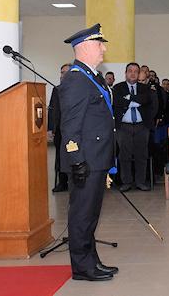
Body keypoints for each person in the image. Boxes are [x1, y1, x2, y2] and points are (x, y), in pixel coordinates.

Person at [60, 23, 117, 281]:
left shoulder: (89, 77)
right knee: (82, 215)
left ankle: (91, 260)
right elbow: (70, 126)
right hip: (86, 160)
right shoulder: (75, 80)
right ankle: (82, 267)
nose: (103, 48)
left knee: (91, 214)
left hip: (96, 156)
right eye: (99, 44)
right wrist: (77, 159)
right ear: (84, 48)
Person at [113, 63, 154, 192]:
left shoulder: (145, 88)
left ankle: (141, 182)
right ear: (125, 73)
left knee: (141, 155)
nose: (133, 73)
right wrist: (136, 102)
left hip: (142, 126)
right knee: (124, 155)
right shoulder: (118, 87)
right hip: (123, 126)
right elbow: (118, 102)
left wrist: (129, 98)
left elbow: (146, 100)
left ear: (139, 73)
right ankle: (126, 182)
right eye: (130, 71)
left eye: (136, 71)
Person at [49, 63, 71, 192]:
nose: (64, 75)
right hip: (60, 130)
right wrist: (50, 128)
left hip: (75, 129)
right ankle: (62, 183)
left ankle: (75, 181)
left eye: (66, 72)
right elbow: (52, 110)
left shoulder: (79, 89)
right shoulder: (56, 89)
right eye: (62, 72)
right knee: (60, 157)